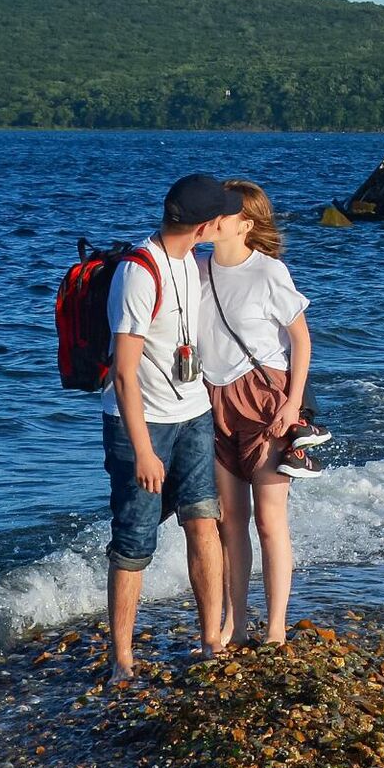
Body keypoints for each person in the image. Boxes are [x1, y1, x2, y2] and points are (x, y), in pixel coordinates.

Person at [103, 173, 242, 681]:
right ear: (204, 223)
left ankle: (211, 641)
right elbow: (123, 371)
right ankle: (121, 658)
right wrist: (143, 450)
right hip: (141, 424)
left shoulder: (191, 261)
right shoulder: (140, 273)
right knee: (135, 538)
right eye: (219, 216)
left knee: (204, 521)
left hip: (194, 411)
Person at [200, 180, 319, 648]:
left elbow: (301, 341)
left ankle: (275, 627)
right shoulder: (196, 266)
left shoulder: (268, 272)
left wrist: (292, 404)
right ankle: (235, 622)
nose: (212, 219)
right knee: (230, 522)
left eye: (222, 214)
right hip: (211, 401)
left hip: (264, 400)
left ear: (245, 225)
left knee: (269, 520)